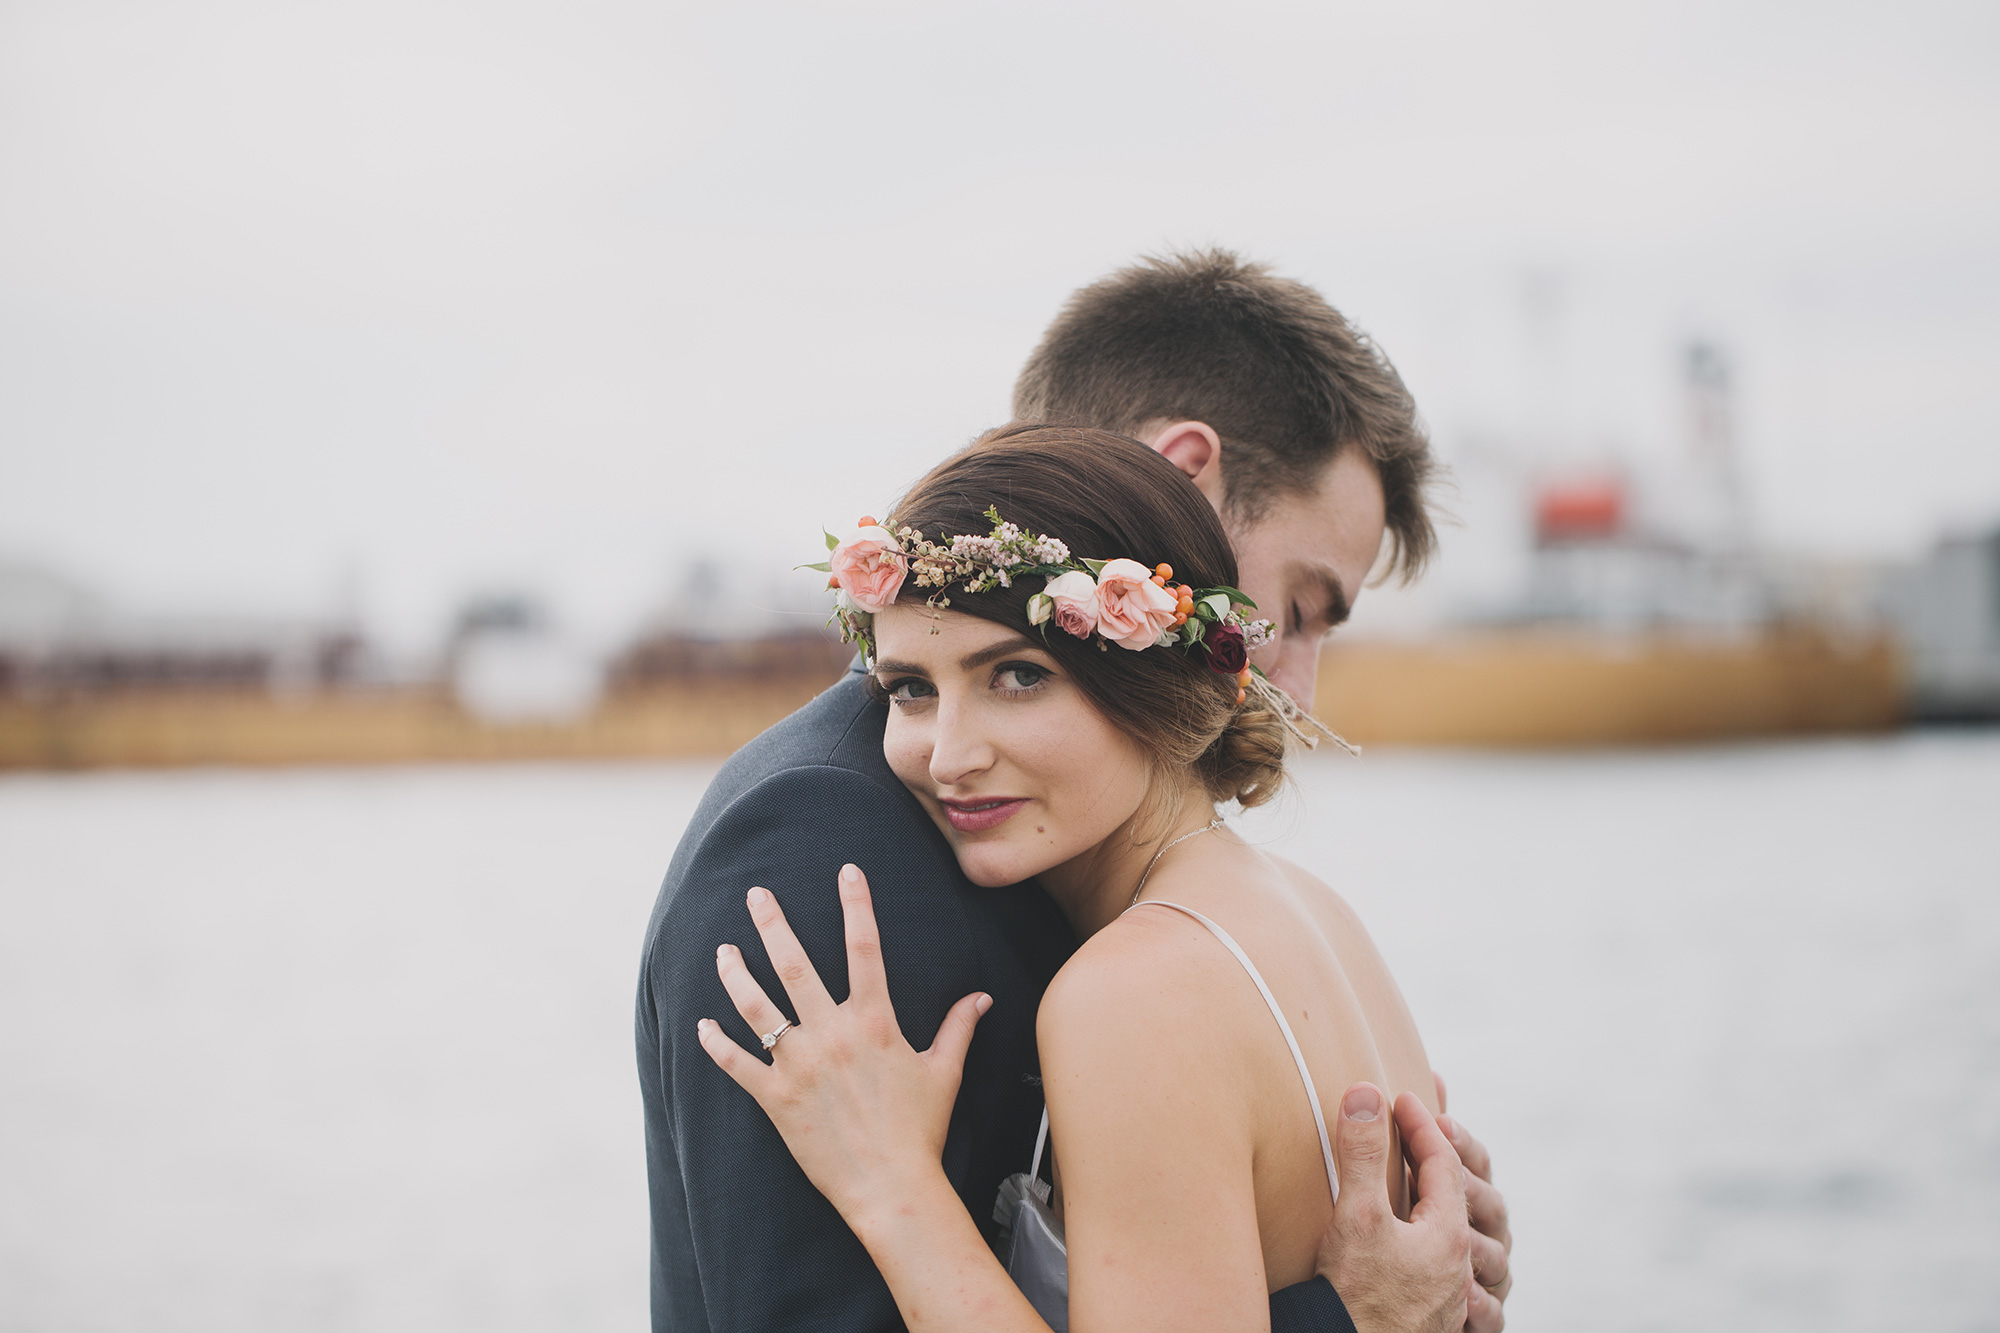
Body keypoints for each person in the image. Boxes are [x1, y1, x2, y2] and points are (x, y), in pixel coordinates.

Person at [636, 252, 1512, 1330]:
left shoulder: (1136, 976)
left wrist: (892, 1187)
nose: (949, 752)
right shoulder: (827, 836)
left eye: (1016, 675)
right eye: (907, 685)